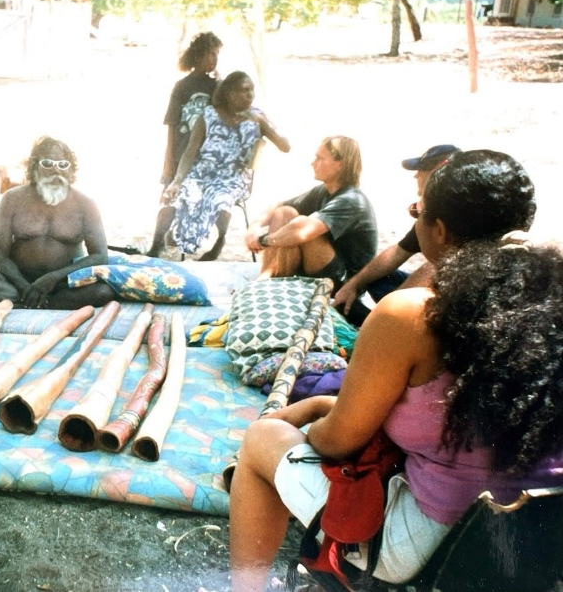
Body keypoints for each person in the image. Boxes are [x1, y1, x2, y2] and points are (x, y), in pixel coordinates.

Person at [228, 150, 561, 591]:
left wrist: (310, 417)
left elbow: (338, 439)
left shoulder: (413, 314)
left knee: (260, 441)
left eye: (417, 211)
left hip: (444, 545)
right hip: (543, 538)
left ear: (438, 229)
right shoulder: (549, 298)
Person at [0, 136, 115, 310]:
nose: (56, 170)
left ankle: (22, 303)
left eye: (63, 165)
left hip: (62, 283)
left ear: (71, 171)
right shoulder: (12, 199)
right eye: (47, 163)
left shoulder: (86, 204)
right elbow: (0, 257)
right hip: (18, 281)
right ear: (34, 167)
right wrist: (24, 286)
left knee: (103, 292)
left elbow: (100, 255)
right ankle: (32, 299)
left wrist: (53, 278)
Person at [146, 71, 290, 261]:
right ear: (230, 94)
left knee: (220, 200)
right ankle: (157, 245)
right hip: (201, 173)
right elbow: (190, 151)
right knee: (177, 196)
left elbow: (285, 147)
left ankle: (218, 243)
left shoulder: (258, 118)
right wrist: (177, 180)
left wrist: (264, 124)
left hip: (233, 177)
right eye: (245, 90)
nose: (250, 95)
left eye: (252, 90)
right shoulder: (209, 115)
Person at [332, 144, 460, 326]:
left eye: (421, 170)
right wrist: (352, 285)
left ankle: (383, 323)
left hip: (455, 290)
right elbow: (398, 251)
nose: (416, 176)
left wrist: (387, 314)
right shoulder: (435, 208)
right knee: (374, 276)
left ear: (437, 172)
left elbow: (438, 267)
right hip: (435, 284)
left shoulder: (456, 210)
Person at [244, 135, 376, 291]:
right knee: (284, 213)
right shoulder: (324, 191)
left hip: (346, 282)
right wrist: (254, 227)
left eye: (320, 159)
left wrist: (263, 240)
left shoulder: (351, 200)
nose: (313, 163)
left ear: (340, 164)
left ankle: (269, 279)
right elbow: (278, 205)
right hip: (327, 266)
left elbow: (302, 232)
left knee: (302, 229)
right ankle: (269, 277)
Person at [160, 32, 222, 189]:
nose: (215, 59)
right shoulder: (181, 87)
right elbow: (172, 125)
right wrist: (168, 161)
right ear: (198, 56)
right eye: (211, 54)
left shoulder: (215, 86)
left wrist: (220, 83)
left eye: (217, 55)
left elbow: (221, 109)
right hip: (181, 153)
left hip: (206, 154)